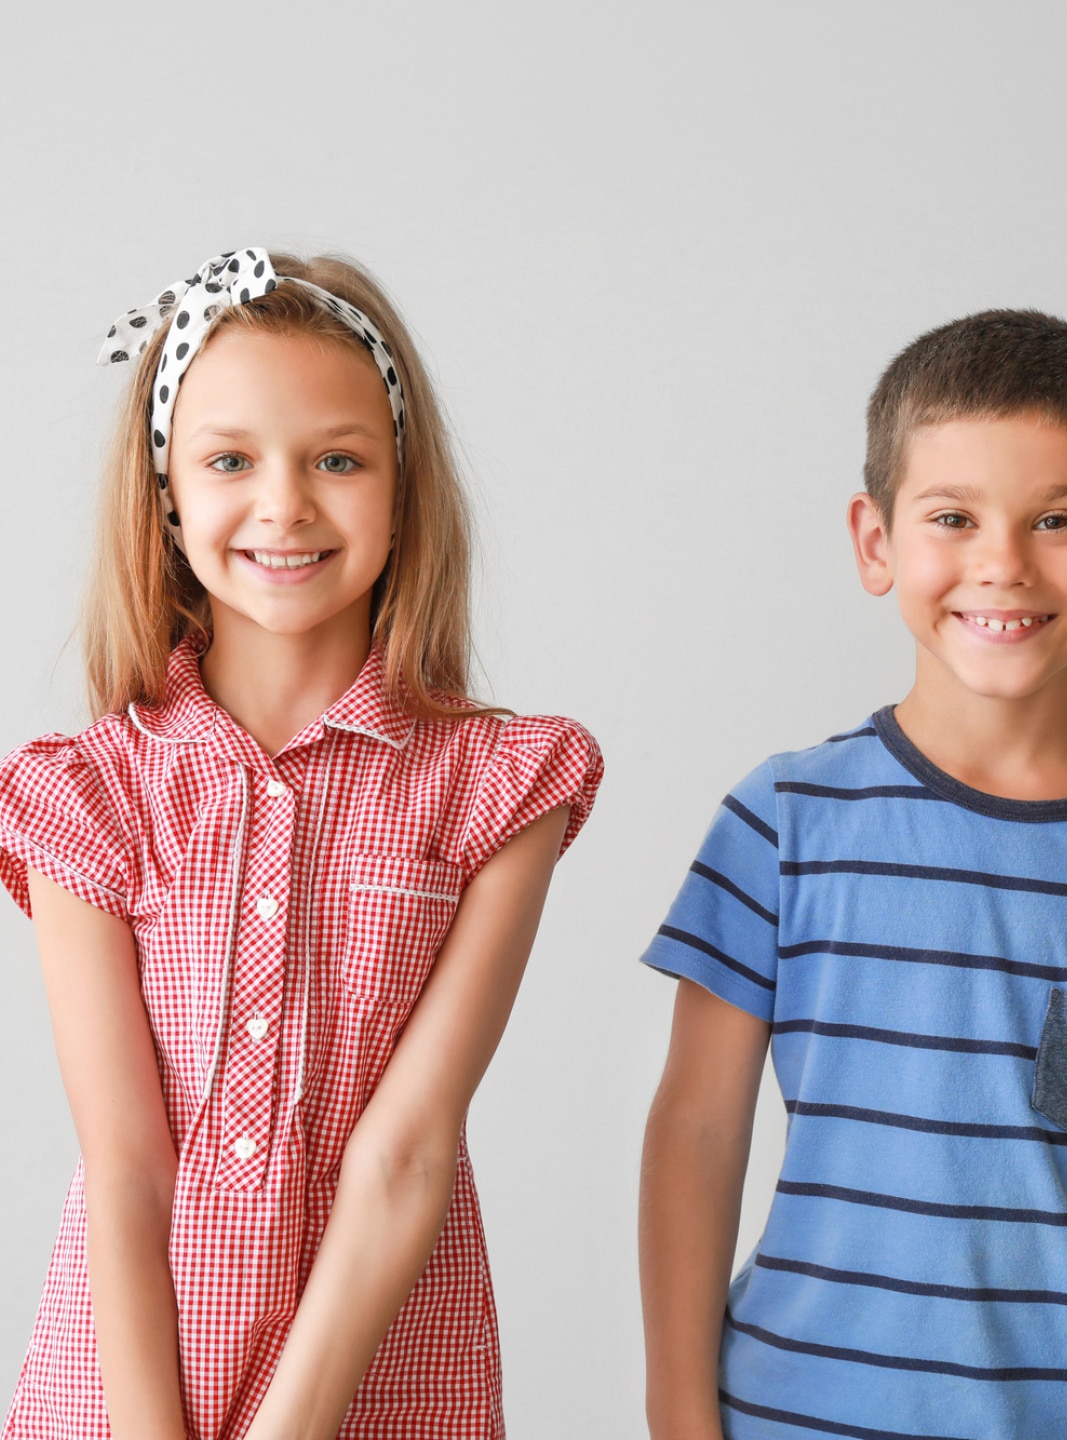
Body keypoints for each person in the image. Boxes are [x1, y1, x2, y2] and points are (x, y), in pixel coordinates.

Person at [638, 310, 1067, 1440]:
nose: (1004, 563)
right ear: (876, 539)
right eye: (954, 517)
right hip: (800, 1416)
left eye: (1057, 520)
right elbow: (698, 1129)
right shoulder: (783, 819)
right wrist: (677, 1412)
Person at [0, 248, 602, 1440]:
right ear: (166, 491)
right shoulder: (88, 792)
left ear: (402, 484)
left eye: (338, 458)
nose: (285, 504)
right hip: (124, 1385)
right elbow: (126, 1164)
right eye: (231, 460)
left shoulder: (498, 784)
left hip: (376, 1369)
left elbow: (409, 1151)